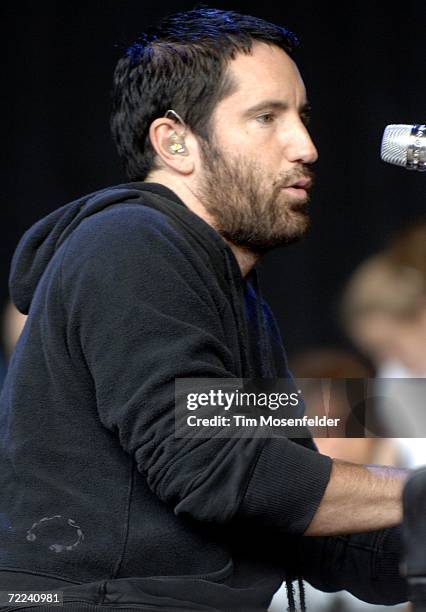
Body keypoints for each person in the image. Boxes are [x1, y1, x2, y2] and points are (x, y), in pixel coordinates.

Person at [0, 8, 410, 612]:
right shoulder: (132, 245)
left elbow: (284, 503)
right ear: (175, 142)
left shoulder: (231, 287)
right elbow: (216, 467)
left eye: (302, 117)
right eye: (267, 117)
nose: (307, 146)